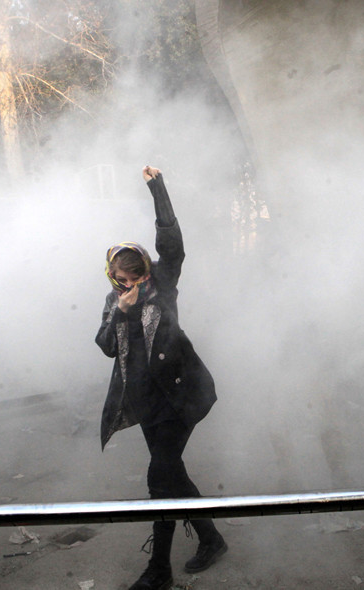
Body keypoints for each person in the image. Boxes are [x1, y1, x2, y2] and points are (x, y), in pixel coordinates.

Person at [95, 166, 227, 590]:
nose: (129, 285)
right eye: (122, 280)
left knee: (159, 479)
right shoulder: (114, 301)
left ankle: (159, 569)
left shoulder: (163, 284)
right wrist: (121, 312)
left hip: (180, 399)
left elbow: (173, 247)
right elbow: (106, 346)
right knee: (173, 475)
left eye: (136, 278)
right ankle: (211, 539)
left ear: (147, 272)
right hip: (146, 404)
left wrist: (158, 189)